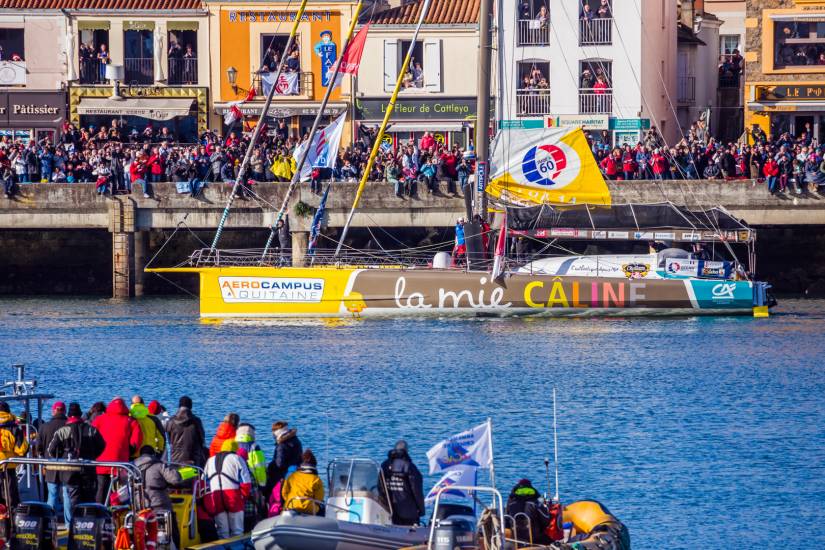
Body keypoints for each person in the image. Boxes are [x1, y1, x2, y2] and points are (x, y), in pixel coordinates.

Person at [48, 402, 106, 524]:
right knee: (89, 500)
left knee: (73, 502)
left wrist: (62, 458)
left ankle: (74, 527)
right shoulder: (91, 430)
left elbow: (51, 450)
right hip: (88, 470)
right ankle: (90, 526)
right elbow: (102, 445)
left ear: (69, 415)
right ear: (80, 414)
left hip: (69, 472)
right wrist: (92, 456)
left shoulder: (62, 431)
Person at [135, 445, 193, 549]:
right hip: (159, 505)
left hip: (139, 506)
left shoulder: (132, 467)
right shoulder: (159, 465)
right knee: (173, 528)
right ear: (153, 454)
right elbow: (175, 479)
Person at [91, 397, 142, 504]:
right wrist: (128, 452)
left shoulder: (100, 419)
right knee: (122, 491)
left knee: (101, 489)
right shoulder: (131, 421)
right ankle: (120, 513)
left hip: (101, 462)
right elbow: (136, 441)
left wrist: (95, 452)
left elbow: (91, 436)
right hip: (120, 462)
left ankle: (99, 512)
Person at [204, 440, 252, 539]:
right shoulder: (237, 459)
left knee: (222, 532)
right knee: (237, 531)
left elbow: (204, 481)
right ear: (235, 450)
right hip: (233, 496)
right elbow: (246, 482)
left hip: (216, 497)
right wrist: (243, 497)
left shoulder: (210, 460)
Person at [380, 440, 424, 526]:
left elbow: (380, 487)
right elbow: (416, 490)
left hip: (390, 508)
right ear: (406, 451)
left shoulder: (384, 465)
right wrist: (421, 509)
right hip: (408, 511)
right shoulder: (409, 466)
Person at [37, 402, 67, 521]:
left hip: (50, 464)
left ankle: (49, 522)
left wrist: (42, 455)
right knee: (66, 495)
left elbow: (39, 447)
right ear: (64, 411)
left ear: (53, 411)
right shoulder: (69, 426)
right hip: (68, 465)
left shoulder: (44, 427)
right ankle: (69, 524)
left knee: (52, 494)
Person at [505, 479, 552, 544]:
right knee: (552, 541)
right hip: (534, 538)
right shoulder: (535, 503)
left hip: (515, 537)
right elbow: (546, 520)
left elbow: (506, 521)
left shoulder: (510, 504)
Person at [0, 401, 28, 508]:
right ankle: (11, 521)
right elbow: (22, 449)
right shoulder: (14, 428)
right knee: (11, 499)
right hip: (8, 468)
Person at [264, 421, 302, 499]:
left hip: (282, 475)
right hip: (295, 472)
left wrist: (270, 467)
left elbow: (279, 464)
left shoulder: (282, 445)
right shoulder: (295, 440)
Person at [167, 396, 207, 467]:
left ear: (179, 406)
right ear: (190, 407)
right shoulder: (196, 421)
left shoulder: (171, 421)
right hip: (193, 460)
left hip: (175, 460)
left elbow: (170, 441)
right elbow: (202, 440)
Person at [281, 449, 324, 515]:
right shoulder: (316, 479)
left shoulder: (292, 476)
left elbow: (284, 493)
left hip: (291, 505)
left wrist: (291, 500)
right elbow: (319, 499)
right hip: (309, 508)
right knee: (322, 508)